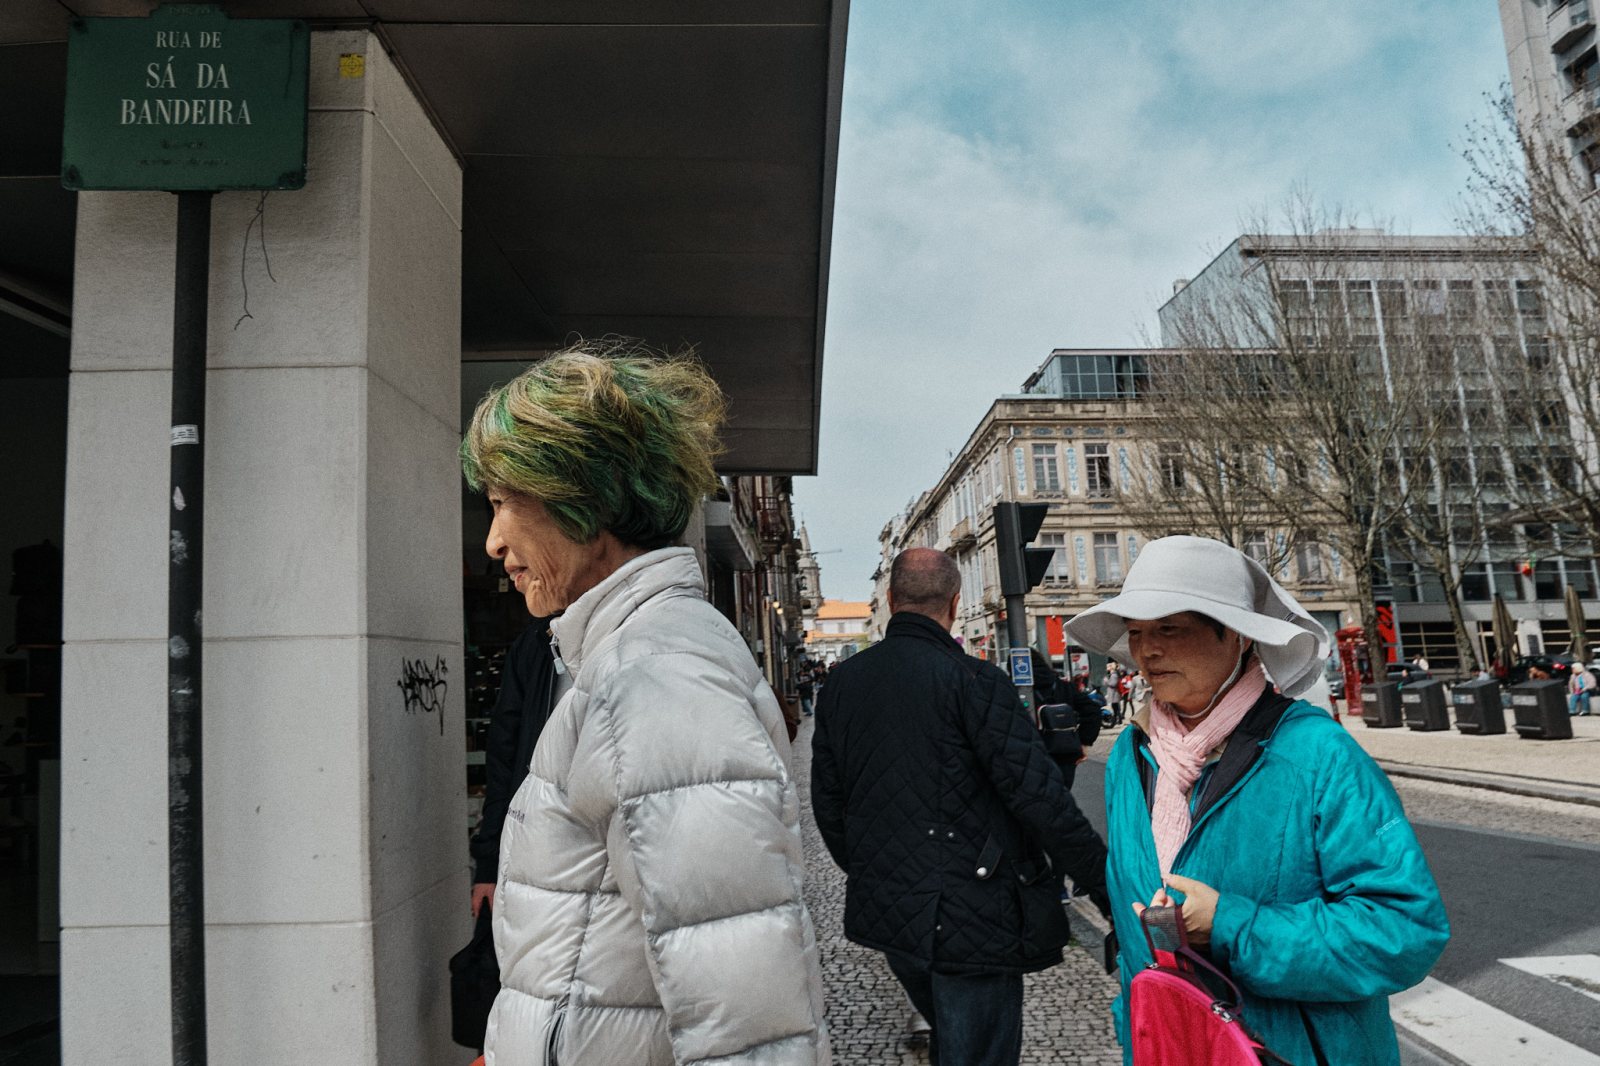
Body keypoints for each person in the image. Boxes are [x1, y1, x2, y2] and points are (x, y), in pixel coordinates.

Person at [461, 345, 829, 1065]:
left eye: (505, 502)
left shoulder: (655, 676)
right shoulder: (622, 659)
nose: (494, 541)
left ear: (583, 495)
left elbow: (748, 1019)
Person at [1065, 535, 1448, 1066]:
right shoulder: (1131, 756)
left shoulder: (1319, 754)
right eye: (1135, 632)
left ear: (1239, 636)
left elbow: (1404, 930)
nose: (1146, 650)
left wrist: (1231, 926)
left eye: (1169, 628)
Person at [811, 548, 1111, 1066]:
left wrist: (873, 870)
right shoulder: (975, 682)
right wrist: (1106, 886)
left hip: (894, 915)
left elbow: (828, 802)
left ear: (891, 600)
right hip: (975, 915)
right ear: (955, 602)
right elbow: (1041, 799)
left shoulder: (842, 684)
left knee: (953, 1041)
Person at [470, 617, 559, 921]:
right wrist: (488, 864)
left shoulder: (632, 639)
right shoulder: (535, 645)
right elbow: (502, 759)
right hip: (535, 844)